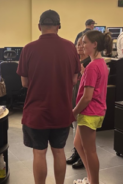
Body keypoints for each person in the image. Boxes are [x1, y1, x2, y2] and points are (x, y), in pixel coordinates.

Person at [17, 10, 80, 184]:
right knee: (59, 150)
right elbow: (74, 79)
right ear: (59, 26)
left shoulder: (28, 48)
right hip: (62, 110)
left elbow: (24, 83)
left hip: (36, 112)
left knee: (39, 151)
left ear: (39, 27)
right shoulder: (70, 47)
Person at [73, 30, 112, 184]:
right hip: (95, 111)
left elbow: (87, 97)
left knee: (90, 151)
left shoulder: (92, 67)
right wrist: (83, 73)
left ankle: (93, 182)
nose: (82, 45)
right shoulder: (99, 63)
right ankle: (90, 179)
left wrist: (74, 112)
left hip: (89, 112)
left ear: (94, 45)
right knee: (77, 144)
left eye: (85, 42)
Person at [66, 37, 91, 169]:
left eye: (83, 44)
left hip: (83, 101)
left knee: (82, 132)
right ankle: (76, 152)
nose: (80, 46)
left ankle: (82, 156)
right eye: (78, 44)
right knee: (75, 129)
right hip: (73, 97)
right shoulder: (76, 62)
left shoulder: (89, 64)